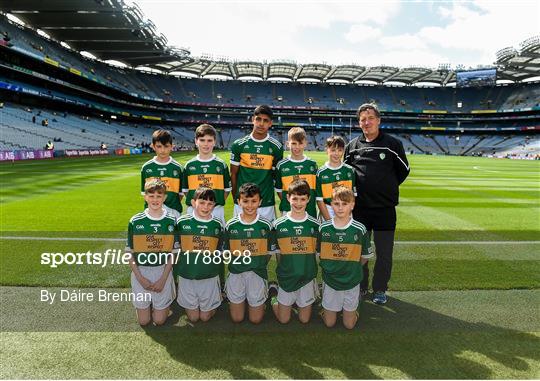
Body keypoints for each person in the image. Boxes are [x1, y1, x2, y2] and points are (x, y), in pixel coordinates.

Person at [344, 103, 410, 305]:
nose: (366, 122)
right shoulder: (352, 146)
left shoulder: (392, 144)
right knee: (359, 253)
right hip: (360, 210)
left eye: (370, 118)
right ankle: (362, 287)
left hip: (384, 209)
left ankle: (380, 289)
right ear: (359, 122)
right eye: (363, 119)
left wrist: (386, 186)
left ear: (378, 120)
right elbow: (346, 174)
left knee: (384, 254)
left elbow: (403, 170)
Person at [318, 186, 373, 329]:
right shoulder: (324, 228)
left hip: (351, 281)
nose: (340, 208)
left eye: (345, 204)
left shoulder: (359, 229)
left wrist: (351, 268)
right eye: (336, 204)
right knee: (329, 323)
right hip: (330, 281)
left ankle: (355, 307)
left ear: (352, 205)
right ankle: (326, 305)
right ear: (331, 204)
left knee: (349, 325)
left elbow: (365, 257)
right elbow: (320, 254)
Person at [126, 179, 177, 326]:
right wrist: (140, 278)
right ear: (145, 197)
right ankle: (150, 303)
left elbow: (173, 253)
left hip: (162, 271)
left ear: (164, 198)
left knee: (159, 321)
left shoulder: (171, 220)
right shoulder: (136, 221)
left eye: (159, 196)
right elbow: (129, 252)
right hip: (141, 271)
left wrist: (163, 279)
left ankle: (164, 299)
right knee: (144, 321)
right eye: (151, 196)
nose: (155, 199)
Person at [269, 179, 319, 324]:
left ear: (308, 199)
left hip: (307, 277)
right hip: (287, 278)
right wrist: (284, 271)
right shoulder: (278, 225)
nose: (298, 203)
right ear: (288, 198)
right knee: (284, 320)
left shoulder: (315, 225)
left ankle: (304, 298)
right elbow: (278, 253)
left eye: (302, 199)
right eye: (295, 198)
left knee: (304, 320)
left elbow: (316, 253)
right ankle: (274, 295)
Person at [224, 183, 273, 324]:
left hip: (257, 273)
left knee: (255, 320)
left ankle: (272, 291)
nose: (250, 205)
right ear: (239, 202)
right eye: (245, 201)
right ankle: (238, 299)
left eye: (254, 201)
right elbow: (227, 252)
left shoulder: (266, 226)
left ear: (260, 202)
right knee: (237, 318)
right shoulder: (231, 225)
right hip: (236, 273)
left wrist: (257, 264)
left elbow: (269, 252)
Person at [175, 187, 224, 323]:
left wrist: (220, 278)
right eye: (202, 202)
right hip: (187, 277)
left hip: (209, 277)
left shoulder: (217, 225)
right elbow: (175, 250)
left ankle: (216, 297)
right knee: (194, 318)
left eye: (210, 204)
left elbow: (220, 254)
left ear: (214, 205)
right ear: (193, 202)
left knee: (204, 317)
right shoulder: (181, 223)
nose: (206, 207)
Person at [230, 105, 283, 222]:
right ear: (252, 119)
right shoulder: (239, 145)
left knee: (266, 238)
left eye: (265, 120)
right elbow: (233, 174)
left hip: (266, 203)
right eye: (258, 119)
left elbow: (275, 177)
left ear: (270, 123)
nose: (261, 123)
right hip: (242, 203)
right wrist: (237, 198)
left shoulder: (276, 147)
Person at [182, 124, 231, 226]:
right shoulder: (189, 165)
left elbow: (227, 190)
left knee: (218, 240)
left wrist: (212, 204)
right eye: (202, 140)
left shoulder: (221, 165)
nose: (206, 144)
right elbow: (186, 191)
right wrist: (199, 204)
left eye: (209, 140)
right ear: (196, 141)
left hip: (216, 210)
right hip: (194, 210)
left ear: (214, 142)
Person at [274, 127, 318, 218]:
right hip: (288, 211)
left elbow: (316, 191)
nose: (297, 147)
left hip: (309, 212)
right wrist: (292, 202)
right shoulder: (281, 165)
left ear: (305, 144)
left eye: (300, 143)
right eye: (294, 143)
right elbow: (279, 190)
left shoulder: (312, 165)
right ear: (287, 144)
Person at [141, 129, 183, 218]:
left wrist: (169, 206)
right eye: (159, 146)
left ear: (172, 146)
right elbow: (145, 193)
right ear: (153, 146)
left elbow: (180, 194)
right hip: (152, 211)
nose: (163, 150)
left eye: (166, 146)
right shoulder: (146, 167)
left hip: (173, 210)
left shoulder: (178, 168)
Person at [316, 136, 356, 221]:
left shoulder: (350, 170)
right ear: (327, 150)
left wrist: (346, 215)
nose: (336, 153)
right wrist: (328, 221)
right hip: (327, 209)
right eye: (333, 150)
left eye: (340, 150)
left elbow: (353, 196)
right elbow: (319, 200)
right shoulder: (321, 172)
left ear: (343, 151)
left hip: (346, 209)